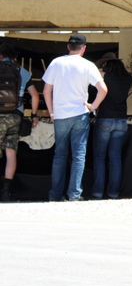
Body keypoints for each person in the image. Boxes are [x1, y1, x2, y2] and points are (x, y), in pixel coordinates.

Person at [43, 34, 108, 202]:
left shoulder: (56, 63)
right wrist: (93, 106)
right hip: (80, 114)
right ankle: (74, 194)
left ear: (68, 46)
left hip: (60, 115)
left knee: (59, 155)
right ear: (84, 48)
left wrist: (51, 112)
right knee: (79, 155)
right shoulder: (88, 65)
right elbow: (103, 89)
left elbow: (46, 91)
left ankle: (55, 195)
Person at [0, 43, 40, 201]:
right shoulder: (22, 71)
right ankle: (5, 191)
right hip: (16, 115)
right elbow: (35, 96)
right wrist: (34, 115)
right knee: (11, 152)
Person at [91, 52, 132, 200]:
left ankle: (97, 192)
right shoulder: (128, 78)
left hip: (104, 119)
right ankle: (113, 192)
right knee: (115, 158)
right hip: (121, 120)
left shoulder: (104, 78)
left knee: (100, 157)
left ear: (107, 64)